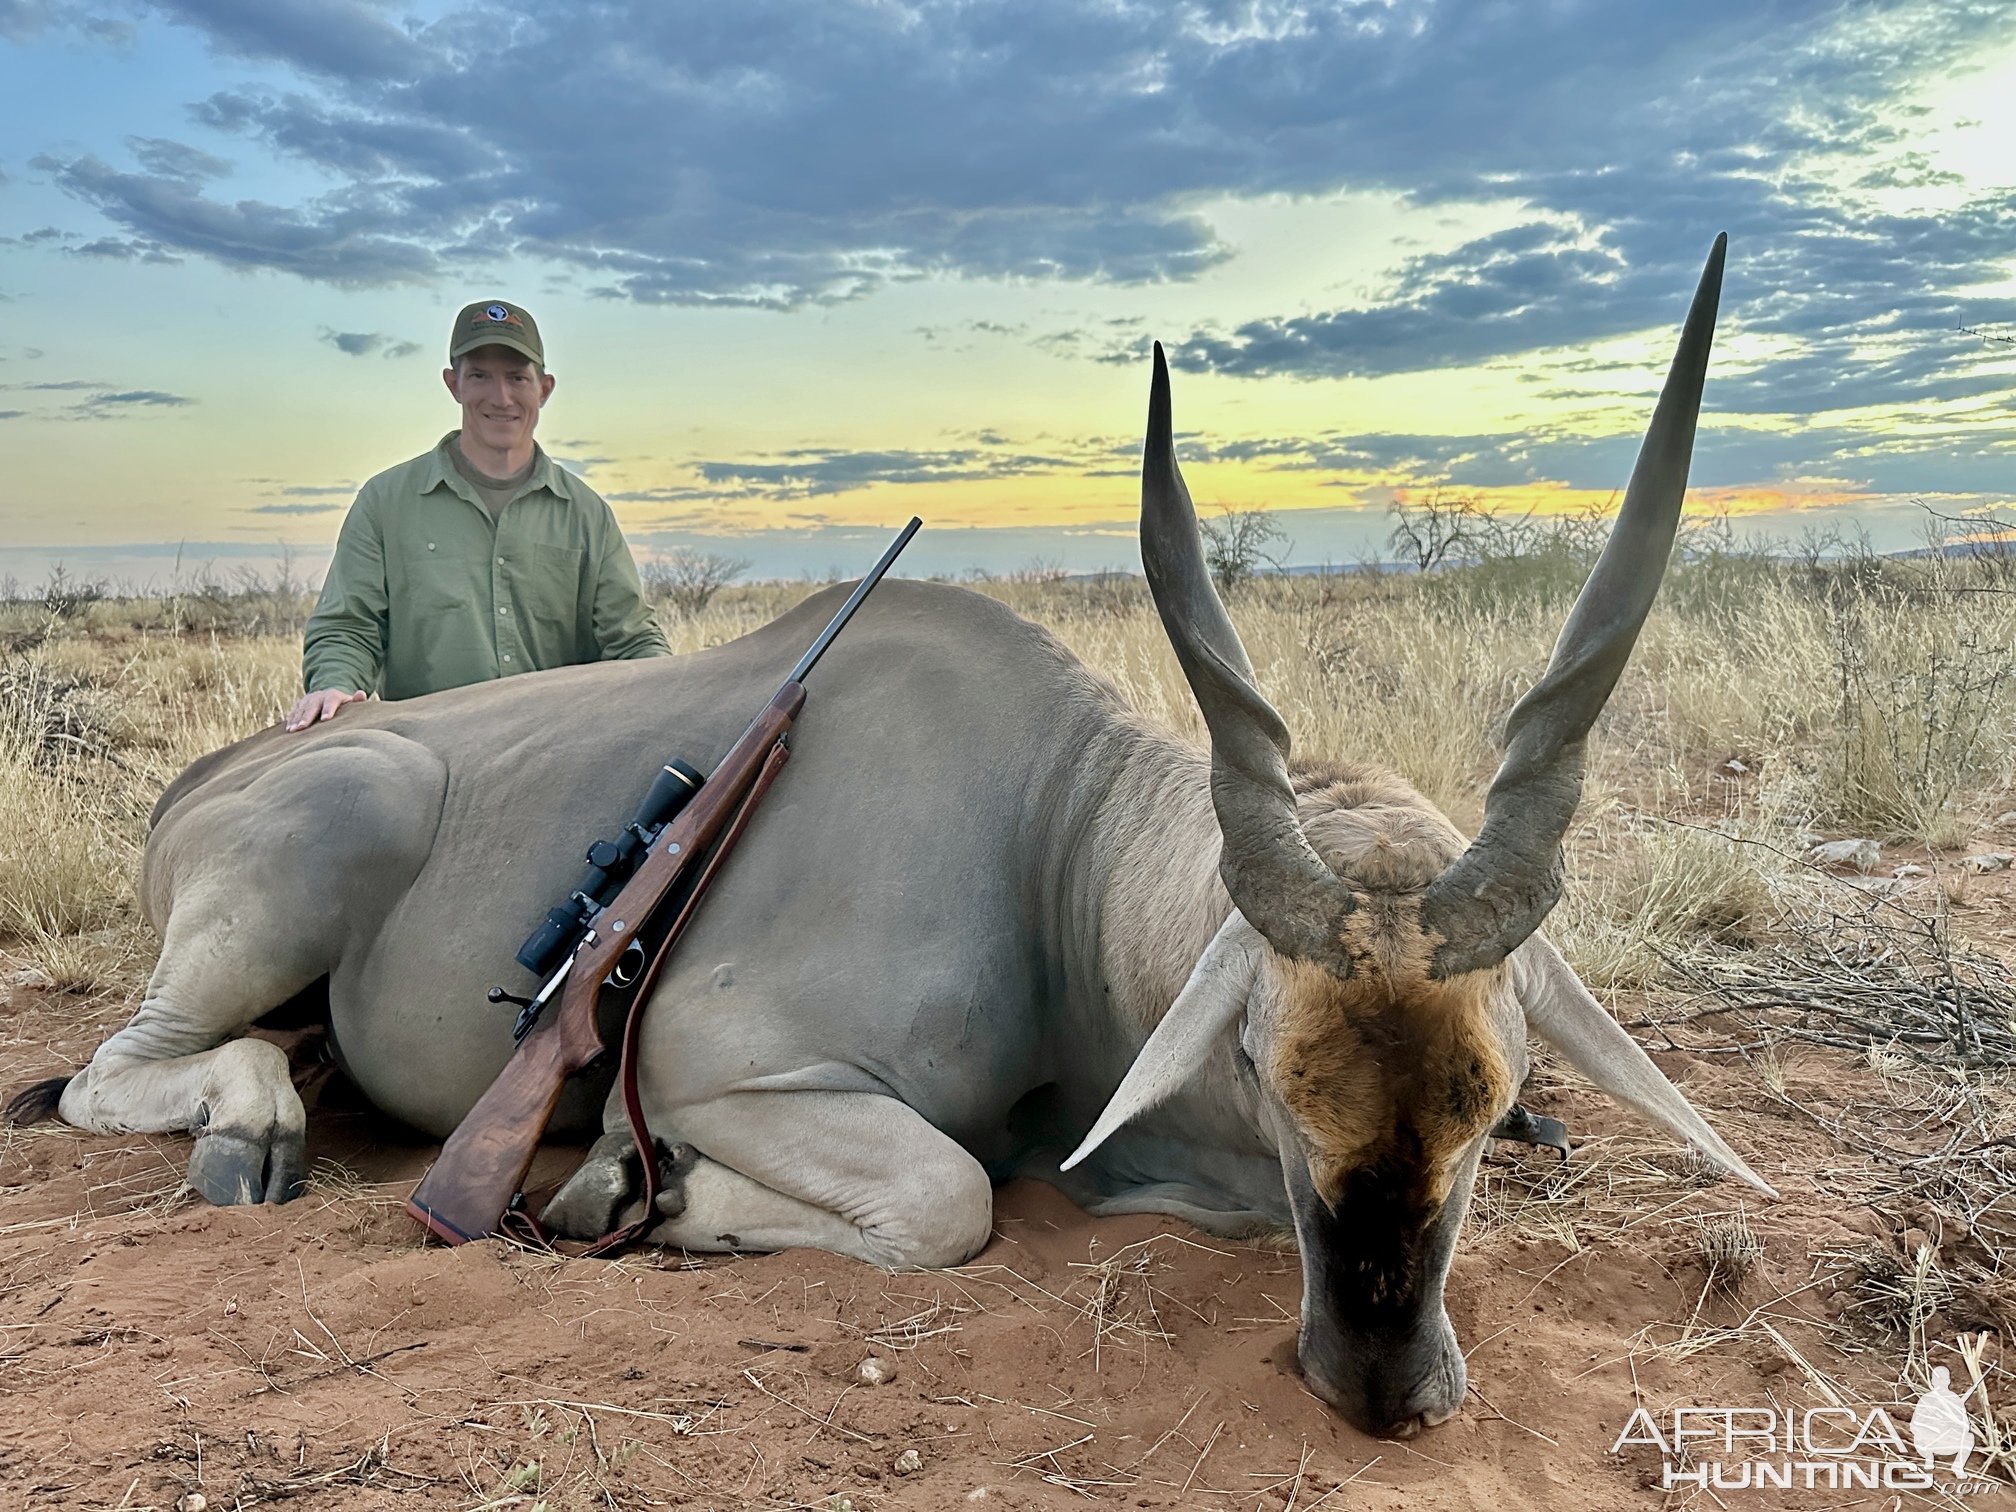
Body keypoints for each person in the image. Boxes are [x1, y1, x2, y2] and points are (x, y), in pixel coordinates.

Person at [285, 299, 670, 731]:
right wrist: (335, 685)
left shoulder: (587, 514)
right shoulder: (384, 501)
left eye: (517, 378)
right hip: (427, 749)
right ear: (454, 384)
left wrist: (674, 693)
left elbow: (632, 639)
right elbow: (348, 627)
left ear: (544, 388)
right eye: (480, 376)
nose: (501, 397)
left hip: (558, 747)